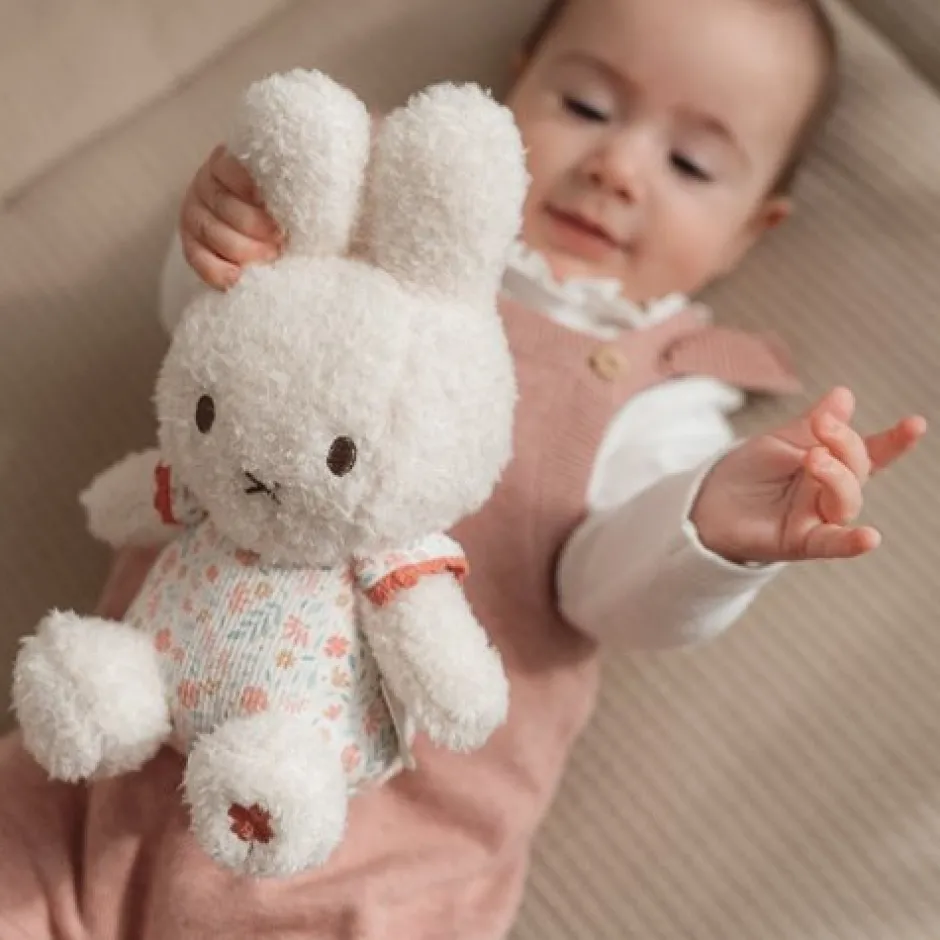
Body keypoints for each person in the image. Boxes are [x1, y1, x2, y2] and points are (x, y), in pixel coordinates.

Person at [0, 0, 926, 937]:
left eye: (689, 164)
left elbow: (609, 595)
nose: (616, 168)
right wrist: (226, 241)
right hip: (106, 749)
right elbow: (207, 356)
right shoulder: (352, 226)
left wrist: (713, 530)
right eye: (586, 107)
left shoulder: (665, 402)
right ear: (512, 91)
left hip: (372, 864)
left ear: (749, 231)